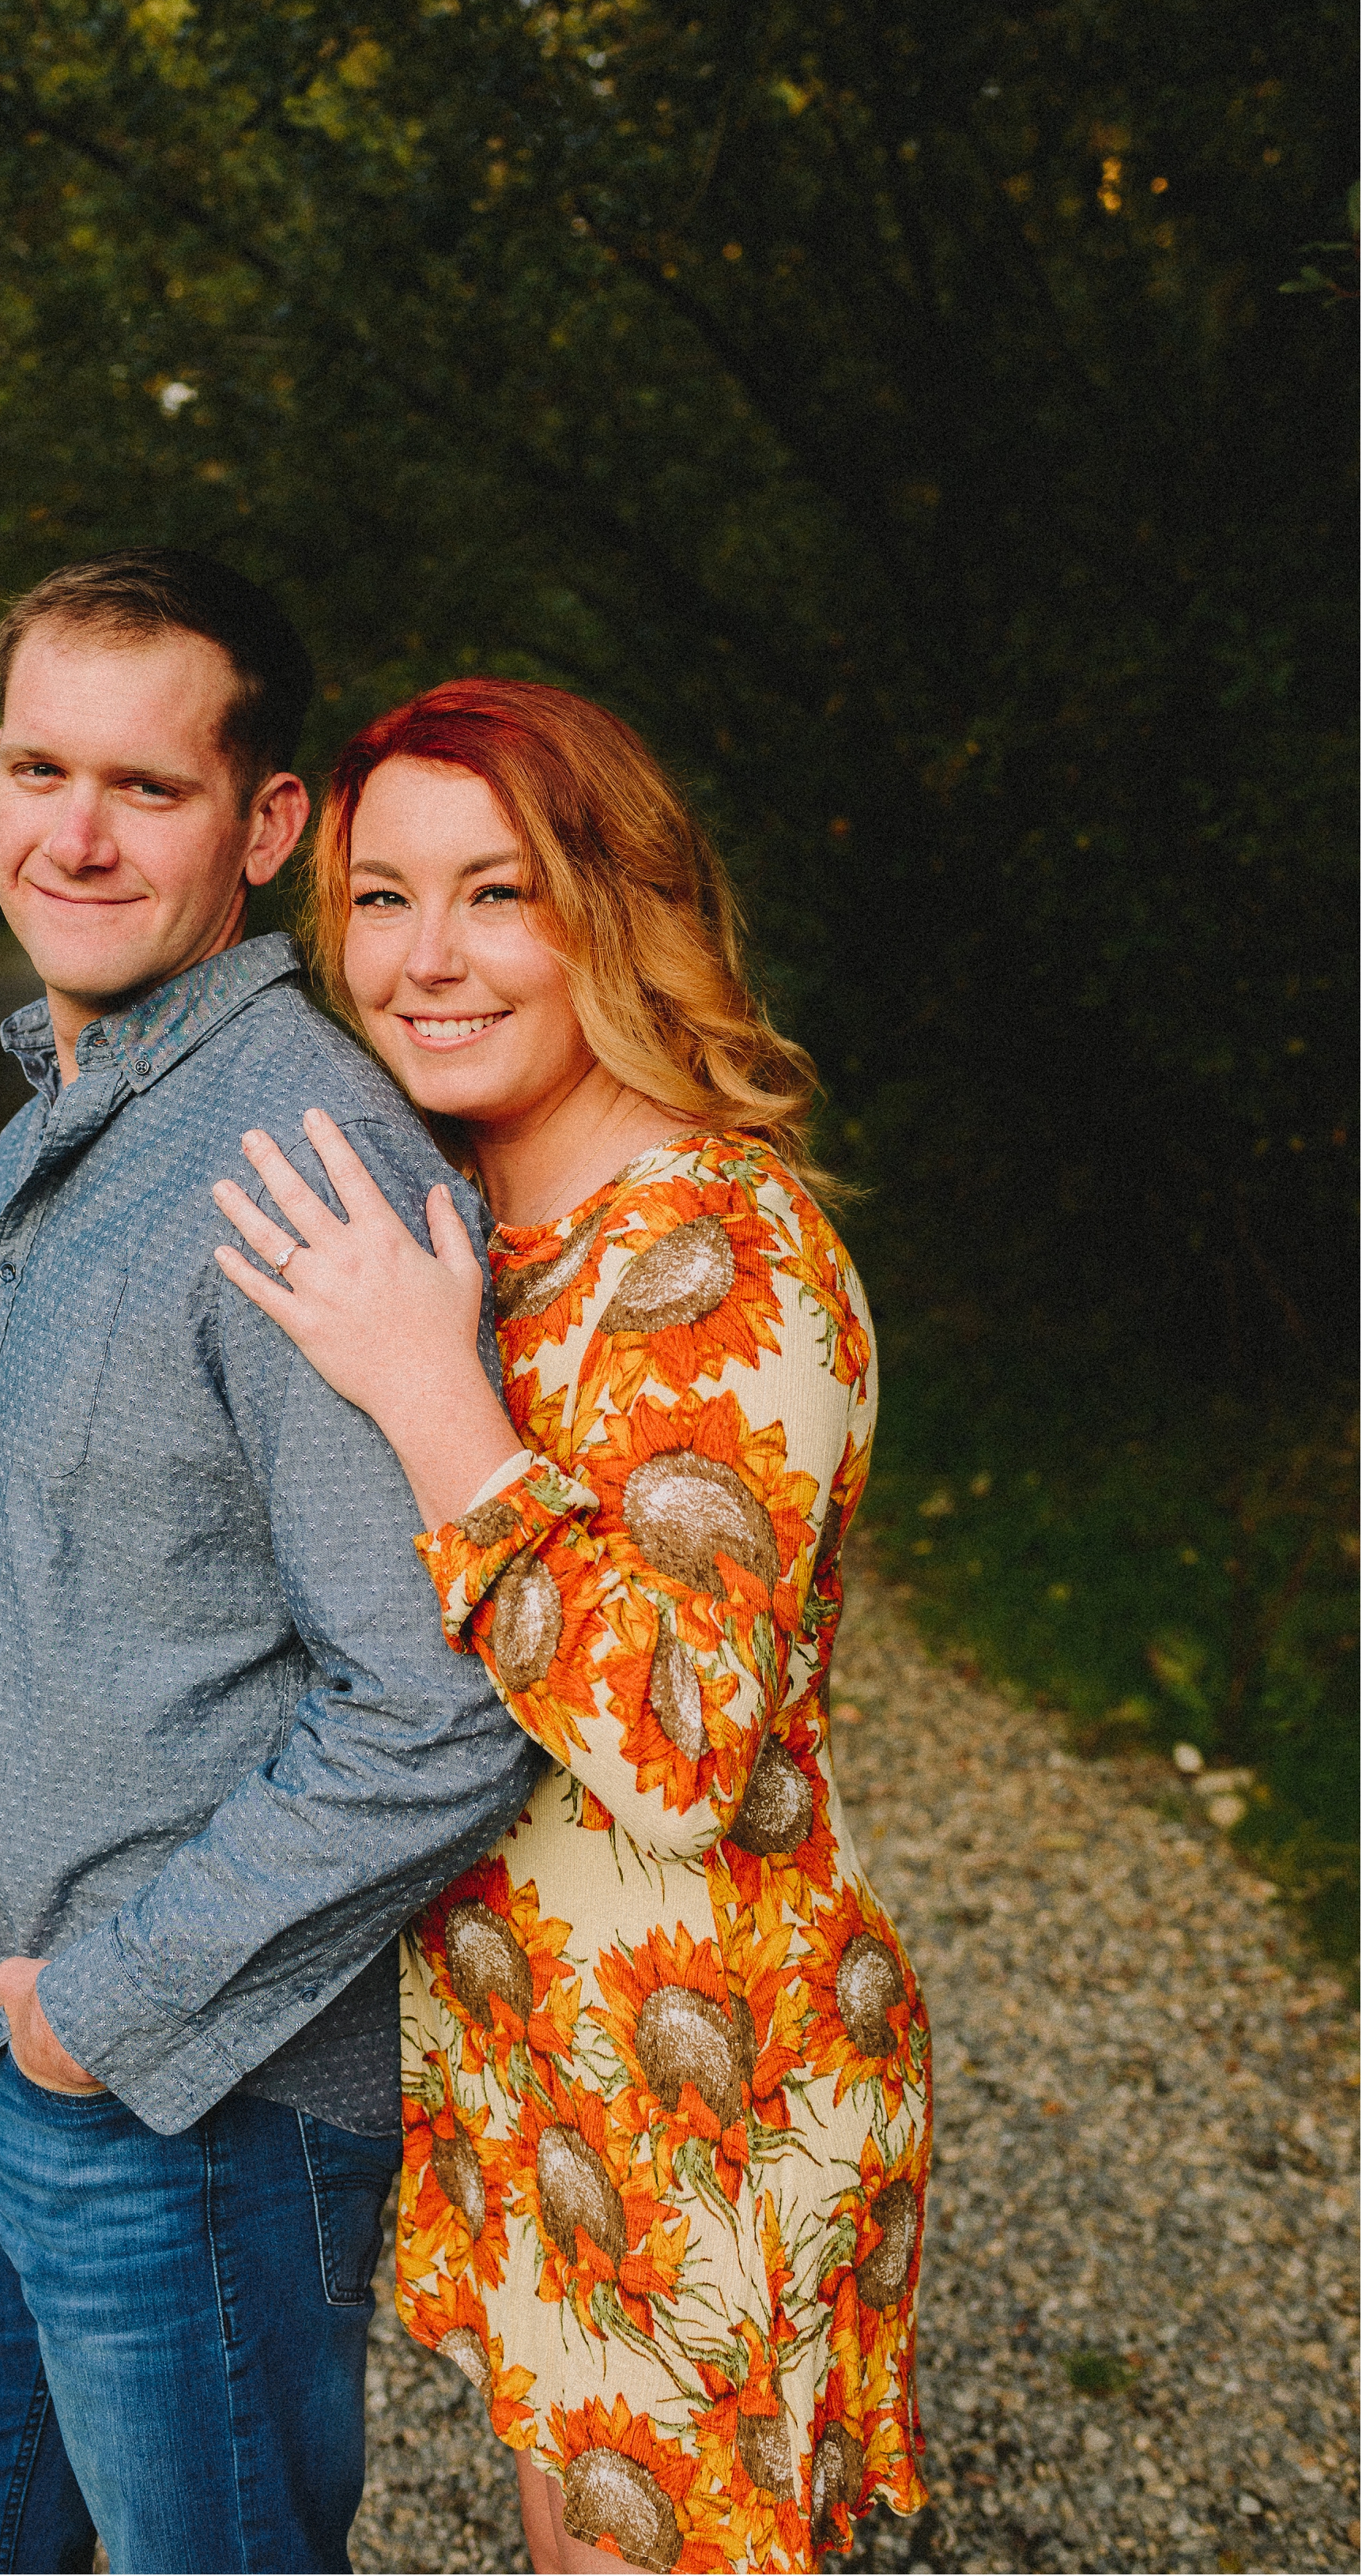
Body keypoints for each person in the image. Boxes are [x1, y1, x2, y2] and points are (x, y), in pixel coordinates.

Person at [0, 559, 539, 2576]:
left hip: (193, 2108)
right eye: (34, 764)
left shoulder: (303, 1162)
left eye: (144, 788)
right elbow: (0, 1605)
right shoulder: (52, 1120)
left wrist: (97, 2013)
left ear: (263, 825)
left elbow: (440, 1699)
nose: (71, 832)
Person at [210, 678, 930, 2575]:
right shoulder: (475, 1224)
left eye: (494, 893)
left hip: (704, 2095)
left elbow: (683, 1752)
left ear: (612, 909)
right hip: (533, 2075)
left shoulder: (717, 1245)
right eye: (379, 898)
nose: (424, 959)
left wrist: (428, 1395)